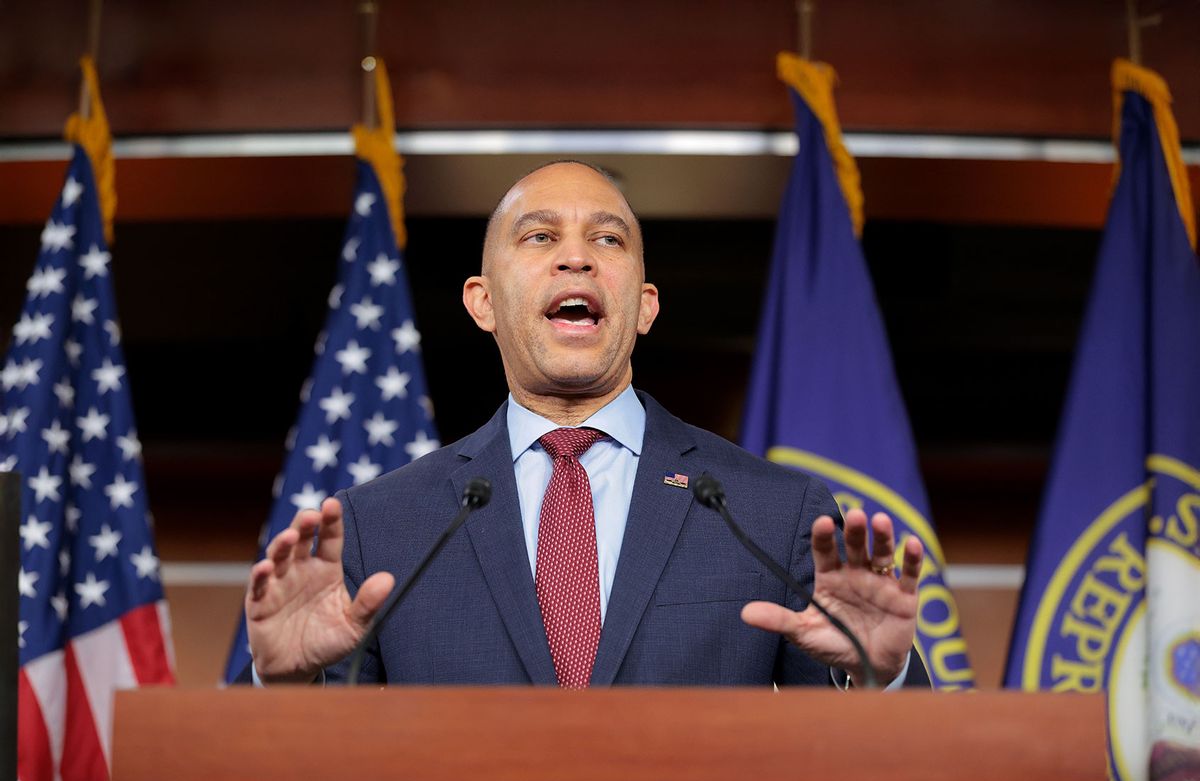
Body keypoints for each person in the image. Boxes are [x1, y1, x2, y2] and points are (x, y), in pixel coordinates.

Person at [245, 160, 928, 688]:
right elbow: (327, 767)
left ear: (644, 306)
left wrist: (881, 678)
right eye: (540, 236)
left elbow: (864, 762)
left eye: (608, 238)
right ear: (482, 303)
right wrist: (286, 685)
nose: (577, 257)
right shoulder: (381, 525)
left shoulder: (774, 514)